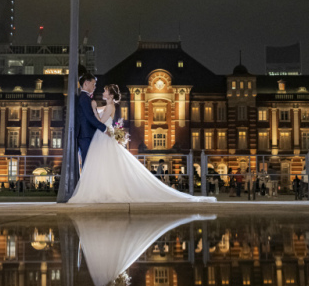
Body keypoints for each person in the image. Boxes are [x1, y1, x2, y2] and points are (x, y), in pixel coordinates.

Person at [68, 84, 216, 203]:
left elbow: (99, 121)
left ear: (111, 95)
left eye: (105, 91)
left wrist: (93, 108)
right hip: (103, 139)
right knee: (107, 166)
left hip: (104, 138)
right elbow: (99, 113)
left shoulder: (110, 107)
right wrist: (95, 108)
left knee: (106, 165)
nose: (103, 92)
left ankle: (107, 191)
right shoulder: (108, 106)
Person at [75, 73, 108, 181]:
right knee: (87, 162)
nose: (95, 87)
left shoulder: (85, 98)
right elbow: (89, 117)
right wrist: (104, 128)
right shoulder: (84, 98)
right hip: (85, 135)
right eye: (93, 84)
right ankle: (86, 187)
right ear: (86, 83)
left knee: (89, 162)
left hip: (86, 134)